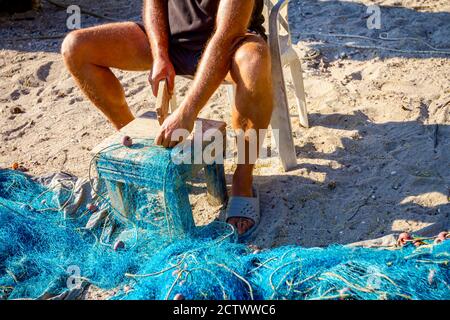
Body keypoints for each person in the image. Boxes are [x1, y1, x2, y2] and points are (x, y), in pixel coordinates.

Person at [61, 0, 273, 240]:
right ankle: (137, 150)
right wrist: (159, 54)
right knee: (76, 47)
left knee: (253, 63)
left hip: (233, 41)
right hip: (173, 40)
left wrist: (186, 112)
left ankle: (243, 180)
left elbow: (226, 36)